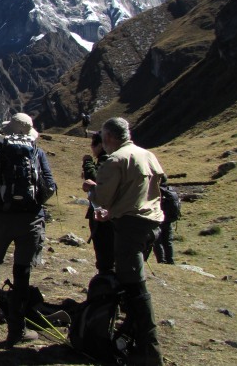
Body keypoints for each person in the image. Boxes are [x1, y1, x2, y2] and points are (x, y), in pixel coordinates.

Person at [83, 117, 165, 365]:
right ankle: (131, 336)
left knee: (135, 287)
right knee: (132, 282)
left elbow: (103, 197)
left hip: (130, 227)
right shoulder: (148, 155)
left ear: (108, 138)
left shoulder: (115, 160)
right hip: (153, 224)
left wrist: (91, 188)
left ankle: (148, 351)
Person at [0, 113, 56, 345]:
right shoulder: (36, 153)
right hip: (30, 221)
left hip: (0, 217)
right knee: (22, 274)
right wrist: (34, 203)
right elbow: (50, 185)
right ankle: (16, 330)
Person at [82, 131, 114, 275]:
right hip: (112, 211)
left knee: (103, 248)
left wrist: (87, 162)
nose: (91, 148)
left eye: (93, 144)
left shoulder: (106, 159)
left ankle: (106, 279)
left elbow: (95, 177)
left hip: (102, 213)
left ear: (100, 144)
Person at [153, 177, 177, 264]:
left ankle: (161, 260)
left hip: (158, 218)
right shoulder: (170, 190)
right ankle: (170, 260)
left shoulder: (157, 190)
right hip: (169, 219)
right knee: (168, 241)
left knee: (157, 241)